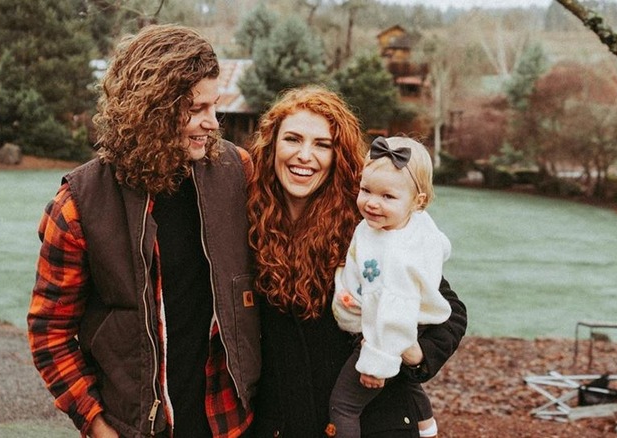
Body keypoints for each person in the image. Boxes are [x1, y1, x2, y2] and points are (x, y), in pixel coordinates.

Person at [27, 24, 260, 438]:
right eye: (196, 109)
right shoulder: (79, 204)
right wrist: (97, 426)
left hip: (227, 424)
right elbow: (50, 332)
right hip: (135, 428)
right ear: (151, 109)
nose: (212, 122)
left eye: (214, 106)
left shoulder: (236, 173)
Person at [246, 86, 467, 438]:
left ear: (339, 155)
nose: (305, 155)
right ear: (271, 145)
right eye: (292, 139)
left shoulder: (368, 221)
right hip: (282, 422)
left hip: (373, 421)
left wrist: (412, 353)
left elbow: (448, 310)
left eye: (322, 144)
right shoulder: (249, 220)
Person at [326, 136, 453, 438]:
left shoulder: (395, 257)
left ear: (417, 202)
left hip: (384, 334)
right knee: (406, 381)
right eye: (366, 190)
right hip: (395, 327)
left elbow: (394, 311)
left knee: (344, 405)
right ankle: (426, 425)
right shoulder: (408, 225)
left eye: (387, 197)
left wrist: (377, 362)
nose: (371, 202)